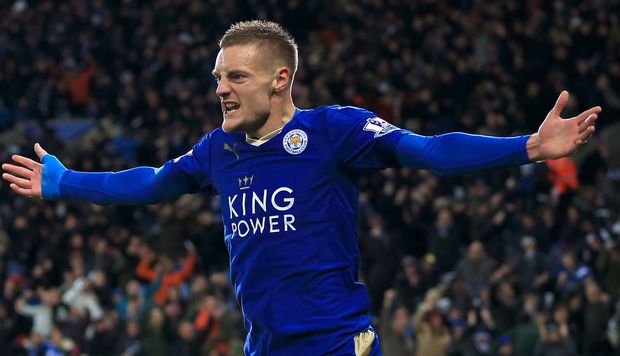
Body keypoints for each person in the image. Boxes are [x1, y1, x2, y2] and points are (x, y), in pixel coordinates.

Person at [1, 20, 601, 355]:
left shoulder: (332, 130)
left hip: (338, 348)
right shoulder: (219, 150)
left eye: (236, 76)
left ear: (280, 79)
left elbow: (431, 152)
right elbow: (151, 185)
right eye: (217, 77)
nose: (222, 89)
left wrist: (525, 147)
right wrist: (66, 183)